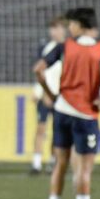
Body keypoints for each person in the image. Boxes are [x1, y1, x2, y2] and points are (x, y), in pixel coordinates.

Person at [34, 7, 100, 199]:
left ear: (81, 25)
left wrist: (50, 93)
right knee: (84, 169)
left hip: (62, 111)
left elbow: (39, 69)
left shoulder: (64, 46)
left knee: (60, 164)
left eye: (72, 24)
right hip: (85, 114)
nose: (69, 28)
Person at [30, 15, 66, 175]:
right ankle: (36, 164)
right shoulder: (45, 48)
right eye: (51, 28)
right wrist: (40, 91)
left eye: (56, 28)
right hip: (46, 94)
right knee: (41, 128)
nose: (53, 32)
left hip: (61, 96)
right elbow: (40, 70)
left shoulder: (68, 48)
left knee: (57, 131)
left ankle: (53, 162)